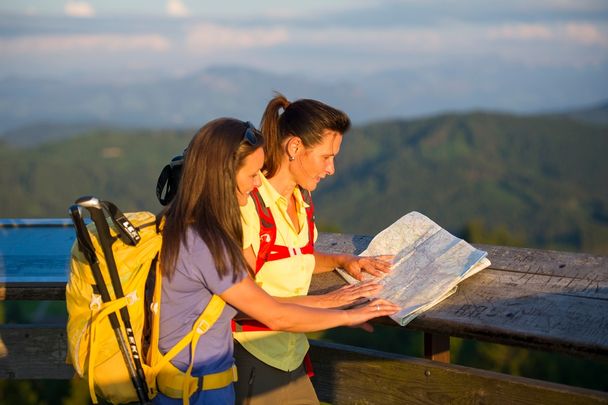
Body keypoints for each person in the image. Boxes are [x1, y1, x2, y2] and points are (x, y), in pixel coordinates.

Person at [155, 118, 399, 404]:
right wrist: (347, 315)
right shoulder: (206, 244)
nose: (259, 182)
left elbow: (265, 303)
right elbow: (272, 313)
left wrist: (335, 301)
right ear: (224, 175)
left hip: (187, 388)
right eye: (253, 174)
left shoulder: (179, 227)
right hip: (197, 392)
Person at [234, 95, 393, 404]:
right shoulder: (248, 205)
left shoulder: (301, 199)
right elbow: (245, 301)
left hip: (292, 353)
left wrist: (342, 261)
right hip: (252, 355)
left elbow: (292, 258)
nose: (332, 169)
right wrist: (329, 304)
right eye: (326, 157)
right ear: (295, 148)